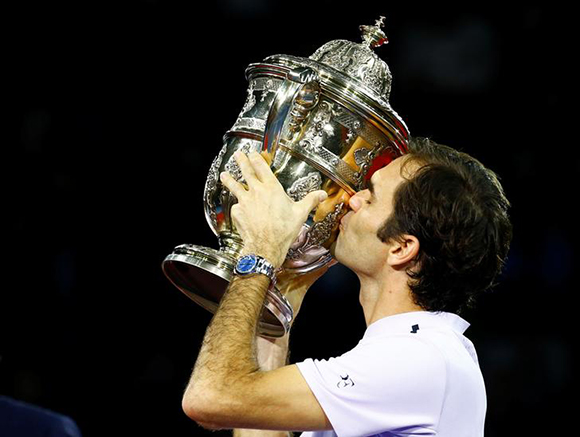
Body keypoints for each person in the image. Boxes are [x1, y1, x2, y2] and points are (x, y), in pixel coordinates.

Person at [180, 137, 512, 436]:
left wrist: (259, 250)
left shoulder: (422, 360)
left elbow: (211, 397)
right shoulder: (411, 355)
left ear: (401, 248)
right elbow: (249, 414)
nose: (352, 199)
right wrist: (287, 286)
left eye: (370, 197)